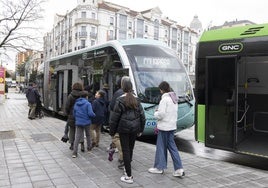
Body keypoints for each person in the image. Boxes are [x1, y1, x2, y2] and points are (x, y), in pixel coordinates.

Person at [109, 76, 145, 184]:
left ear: (122, 86)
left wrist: (112, 131)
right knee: (130, 149)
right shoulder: (137, 100)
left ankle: (129, 176)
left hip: (123, 129)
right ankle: (126, 169)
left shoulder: (120, 100)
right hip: (134, 129)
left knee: (125, 151)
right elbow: (143, 116)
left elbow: (114, 118)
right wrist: (141, 129)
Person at [148, 81, 185, 177]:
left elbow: (161, 114)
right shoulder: (174, 99)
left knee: (161, 147)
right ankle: (179, 168)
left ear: (161, 90)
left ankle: (159, 168)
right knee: (173, 148)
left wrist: (155, 113)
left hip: (164, 127)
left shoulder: (164, 100)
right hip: (172, 127)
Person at [72, 90, 96, 158]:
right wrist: (94, 115)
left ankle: (74, 152)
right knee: (88, 135)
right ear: (86, 96)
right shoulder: (88, 104)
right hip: (86, 122)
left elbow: (74, 113)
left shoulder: (76, 103)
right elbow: (90, 113)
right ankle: (89, 148)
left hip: (78, 122)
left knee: (77, 137)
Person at [108, 77, 124, 169]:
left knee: (116, 137)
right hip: (129, 124)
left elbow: (112, 106)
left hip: (119, 121)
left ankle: (121, 158)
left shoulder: (118, 93)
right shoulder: (133, 94)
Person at [64, 82, 85, 151]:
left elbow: (67, 106)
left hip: (72, 115)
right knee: (80, 130)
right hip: (81, 115)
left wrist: (67, 113)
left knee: (72, 130)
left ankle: (72, 145)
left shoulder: (71, 95)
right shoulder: (83, 95)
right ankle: (82, 144)